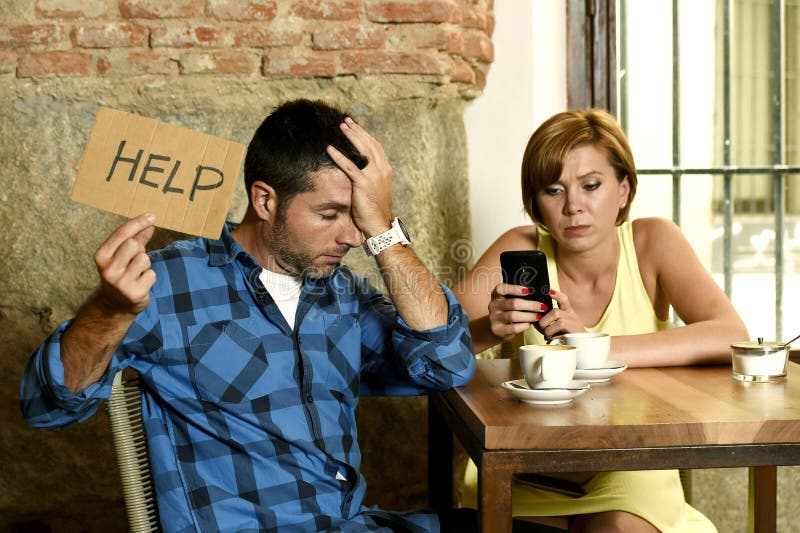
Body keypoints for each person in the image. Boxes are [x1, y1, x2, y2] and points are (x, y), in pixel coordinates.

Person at [21, 99, 487, 532]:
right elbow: (46, 407)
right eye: (330, 215)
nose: (352, 237)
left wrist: (385, 231)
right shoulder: (169, 282)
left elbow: (445, 362)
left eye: (360, 217)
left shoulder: (341, 292)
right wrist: (109, 310)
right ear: (265, 201)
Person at [455, 109, 749, 532]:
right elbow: (436, 344)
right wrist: (488, 328)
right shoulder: (516, 247)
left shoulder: (653, 242)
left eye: (591, 186)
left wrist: (591, 344)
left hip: (632, 465)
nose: (574, 206)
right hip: (529, 465)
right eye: (553, 190)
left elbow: (730, 334)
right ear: (535, 202)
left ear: (624, 189)